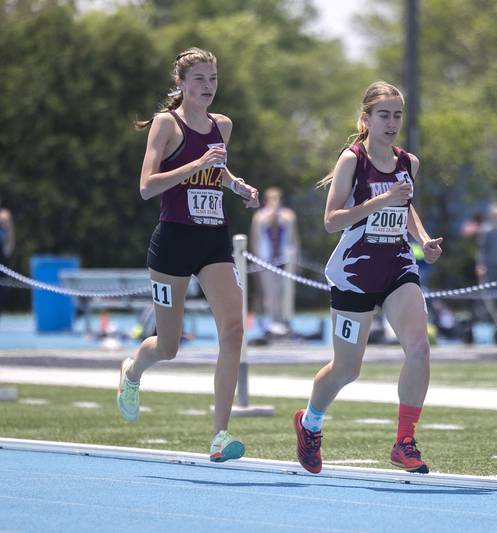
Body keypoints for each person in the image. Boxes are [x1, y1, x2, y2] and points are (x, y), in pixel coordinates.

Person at [293, 81, 443, 474]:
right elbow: (331, 221)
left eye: (397, 115)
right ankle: (310, 423)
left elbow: (407, 208)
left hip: (396, 265)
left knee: (419, 348)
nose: (392, 122)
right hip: (354, 272)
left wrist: (423, 239)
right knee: (347, 369)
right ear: (366, 118)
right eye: (384, 115)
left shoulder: (408, 162)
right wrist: (378, 201)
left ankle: (404, 441)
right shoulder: (352, 160)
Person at [118, 47, 260, 463]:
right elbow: (148, 186)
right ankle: (132, 372)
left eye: (212, 79)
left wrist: (236, 186)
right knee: (169, 344)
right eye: (198, 79)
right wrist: (196, 162)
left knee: (233, 331)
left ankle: (220, 434)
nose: (207, 87)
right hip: (173, 242)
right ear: (180, 83)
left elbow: (218, 170)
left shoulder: (223, 125)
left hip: (213, 240)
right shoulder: (166, 124)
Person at [250, 186, 299, 337]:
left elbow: (294, 239)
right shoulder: (260, 216)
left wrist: (297, 259)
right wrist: (256, 261)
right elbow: (255, 240)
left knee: (285, 293)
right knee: (270, 293)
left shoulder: (288, 215)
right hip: (266, 260)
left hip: (285, 259)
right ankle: (272, 322)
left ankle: (284, 321)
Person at [0, 197, 15, 320]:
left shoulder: (4, 215)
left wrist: (8, 249)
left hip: (1, 259)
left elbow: (10, 236)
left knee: (3, 289)